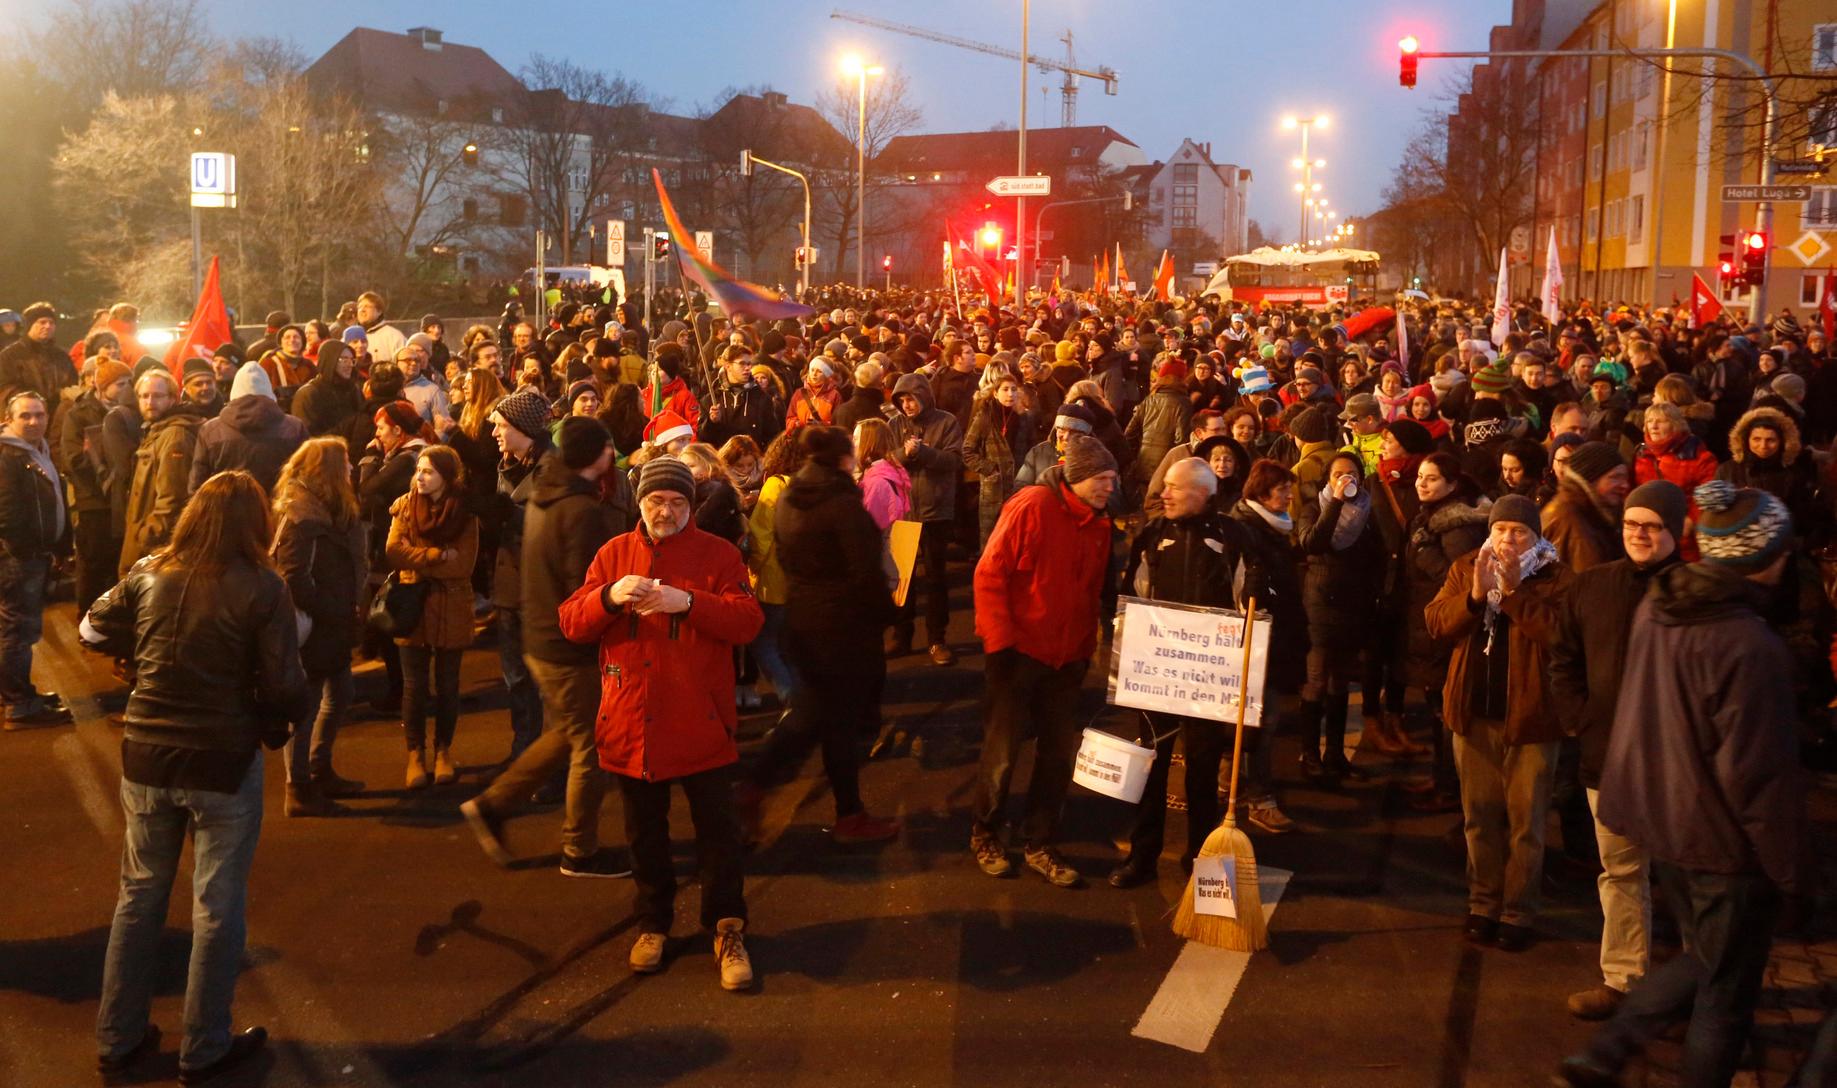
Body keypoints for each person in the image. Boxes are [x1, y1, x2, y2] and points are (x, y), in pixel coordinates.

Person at [1556, 481, 1806, 1088]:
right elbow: (1758, 777)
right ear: (1762, 556)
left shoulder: (1662, 604)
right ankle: (1614, 1049)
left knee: (1704, 958)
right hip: (1722, 840)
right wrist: (1793, 872)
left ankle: (1608, 1049)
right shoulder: (1748, 643)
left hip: (1666, 820)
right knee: (1723, 997)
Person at [86, 471, 306, 1085]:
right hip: (221, 758)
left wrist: (139, 652)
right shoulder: (264, 587)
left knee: (138, 896)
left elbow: (90, 627)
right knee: (216, 905)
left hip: (148, 752)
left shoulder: (152, 571)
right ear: (254, 523)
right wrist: (280, 723)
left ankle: (118, 1035)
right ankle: (204, 1045)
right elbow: (286, 683)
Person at [557, 456, 765, 990]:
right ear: (641, 503)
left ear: (691, 506)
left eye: (677, 502)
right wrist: (608, 596)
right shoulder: (613, 555)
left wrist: (687, 602)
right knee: (644, 836)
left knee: (718, 835)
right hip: (632, 721)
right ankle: (653, 923)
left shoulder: (718, 555)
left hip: (700, 719)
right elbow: (572, 622)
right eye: (656, 501)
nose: (665, 510)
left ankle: (727, 927)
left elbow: (747, 621)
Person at [462, 417, 631, 877]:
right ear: (598, 455)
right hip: (568, 645)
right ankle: (579, 850)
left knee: (564, 734)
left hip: (541, 635)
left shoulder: (545, 493)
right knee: (590, 746)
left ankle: (493, 806)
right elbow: (586, 589)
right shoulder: (579, 510)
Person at [1547, 481, 1686, 1022]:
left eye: (1651, 526)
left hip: (1675, 765)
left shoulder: (1692, 590)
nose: (1640, 534)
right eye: (1632, 524)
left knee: (1682, 880)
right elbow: (1564, 658)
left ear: (1674, 530)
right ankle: (1624, 979)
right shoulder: (1593, 586)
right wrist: (1579, 718)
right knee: (1621, 873)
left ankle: (1690, 986)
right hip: (1607, 757)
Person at [1424, 494, 1574, 952]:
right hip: (1474, 715)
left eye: (1519, 532)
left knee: (1526, 822)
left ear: (1536, 536)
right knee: (1479, 818)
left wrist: (1513, 596)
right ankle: (1482, 903)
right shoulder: (1469, 565)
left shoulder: (1556, 576)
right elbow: (1435, 622)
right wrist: (1474, 596)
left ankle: (1518, 910)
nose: (1508, 540)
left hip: (1532, 720)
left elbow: (1562, 637)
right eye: (1501, 530)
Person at [737, 426, 901, 844]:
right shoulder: (842, 504)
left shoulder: (793, 495)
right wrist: (886, 614)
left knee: (825, 722)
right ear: (845, 459)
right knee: (821, 722)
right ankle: (759, 789)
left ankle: (846, 812)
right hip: (841, 630)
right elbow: (865, 572)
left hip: (804, 619)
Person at [969, 434, 1118, 887]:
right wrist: (1000, 644)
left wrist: (1088, 648)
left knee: (1056, 757)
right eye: (1102, 479)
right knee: (1002, 753)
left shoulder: (1099, 524)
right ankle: (985, 832)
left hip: (1066, 658)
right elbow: (990, 573)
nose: (1109, 488)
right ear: (1076, 477)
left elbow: (1092, 591)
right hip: (1017, 654)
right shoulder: (1031, 505)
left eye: (1112, 480)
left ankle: (1039, 841)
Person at [1110, 458, 1246, 887]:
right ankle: (1142, 856)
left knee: (1202, 773)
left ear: (1202, 494)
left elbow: (1250, 604)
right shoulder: (1152, 535)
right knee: (1151, 765)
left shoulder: (1232, 537)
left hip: (1208, 676)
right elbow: (1135, 594)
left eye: (1173, 488)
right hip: (1160, 672)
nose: (1163, 494)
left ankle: (1201, 860)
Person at [270, 438, 369, 815]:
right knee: (306, 706)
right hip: (315, 626)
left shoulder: (327, 508)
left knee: (340, 692)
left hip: (332, 622)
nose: (351, 468)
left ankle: (318, 766)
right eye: (345, 463)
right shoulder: (302, 516)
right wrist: (331, 610)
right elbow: (294, 577)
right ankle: (298, 789)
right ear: (326, 470)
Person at [384, 445, 479, 789]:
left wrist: (420, 560)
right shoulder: (405, 506)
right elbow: (394, 551)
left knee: (448, 684)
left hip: (452, 604)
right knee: (414, 685)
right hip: (414, 605)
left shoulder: (465, 512)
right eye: (418, 470)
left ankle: (443, 752)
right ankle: (415, 755)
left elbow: (463, 564)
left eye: (428, 471)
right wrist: (436, 555)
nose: (419, 477)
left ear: (446, 476)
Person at [1295, 451, 1385, 783]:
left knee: (1341, 680)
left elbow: (1378, 556)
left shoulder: (1367, 511)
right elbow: (1313, 543)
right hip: (1319, 604)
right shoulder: (1313, 507)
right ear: (1328, 479)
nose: (1345, 480)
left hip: (1354, 605)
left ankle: (1335, 754)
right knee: (1316, 678)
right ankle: (1309, 754)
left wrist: (1374, 595)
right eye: (1338, 474)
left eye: (1351, 474)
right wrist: (1334, 502)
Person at [1226, 460, 1304, 834]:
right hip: (1255, 643)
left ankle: (1234, 781)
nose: (1290, 496)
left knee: (1259, 719)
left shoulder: (1274, 527)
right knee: (1261, 720)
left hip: (1277, 636)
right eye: (1282, 490)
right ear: (1260, 493)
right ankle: (1260, 798)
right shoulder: (1245, 530)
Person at [487, 388, 554, 761]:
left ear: (520, 427)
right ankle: (524, 752)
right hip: (510, 588)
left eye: (500, 425)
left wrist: (504, 515)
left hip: (539, 592)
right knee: (517, 680)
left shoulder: (551, 470)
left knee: (541, 682)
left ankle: (543, 761)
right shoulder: (510, 465)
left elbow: (550, 529)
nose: (495, 432)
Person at [0, 393, 72, 729]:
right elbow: (7, 513)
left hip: (30, 554)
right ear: (9, 418)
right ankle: (19, 706)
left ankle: (16, 692)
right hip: (20, 557)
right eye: (25, 416)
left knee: (15, 627)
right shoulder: (8, 455)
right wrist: (25, 549)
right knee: (19, 629)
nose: (34, 421)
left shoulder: (35, 450)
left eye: (39, 414)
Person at [886, 372, 964, 665]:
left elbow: (955, 460)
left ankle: (936, 640)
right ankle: (901, 636)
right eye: (902, 399)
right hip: (903, 512)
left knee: (936, 579)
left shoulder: (946, 422)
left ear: (924, 396)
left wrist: (926, 453)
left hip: (935, 512)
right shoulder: (894, 425)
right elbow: (885, 460)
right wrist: (904, 454)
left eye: (911, 398)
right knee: (902, 580)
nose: (907, 404)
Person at [63, 359, 132, 615]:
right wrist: (104, 466)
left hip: (121, 502)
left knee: (117, 563)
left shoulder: (129, 412)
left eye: (129, 383)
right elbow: (72, 458)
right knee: (93, 564)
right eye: (120, 384)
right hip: (94, 502)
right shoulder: (78, 414)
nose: (126, 389)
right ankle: (88, 619)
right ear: (102, 386)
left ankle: (112, 621)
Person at [120, 371, 204, 575]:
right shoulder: (156, 431)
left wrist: (145, 535)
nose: (150, 402)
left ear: (173, 398)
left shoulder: (175, 435)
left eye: (158, 396)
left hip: (156, 549)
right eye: (144, 396)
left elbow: (173, 497)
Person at [189, 362, 308, 498]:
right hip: (278, 513)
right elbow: (306, 478)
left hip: (227, 512)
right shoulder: (294, 427)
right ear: (269, 390)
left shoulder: (210, 431)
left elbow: (197, 486)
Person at [961, 370, 1034, 546]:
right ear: (995, 393)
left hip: (1018, 486)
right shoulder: (985, 417)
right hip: (993, 487)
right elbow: (967, 451)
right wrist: (989, 469)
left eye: (1014, 389)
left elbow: (1031, 449)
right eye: (1005, 389)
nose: (1010, 394)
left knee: (1015, 537)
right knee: (991, 539)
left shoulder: (1023, 418)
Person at [1540, 441, 1628, 574]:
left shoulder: (1591, 512)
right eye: (1615, 477)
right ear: (1591, 478)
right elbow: (1592, 581)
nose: (1624, 485)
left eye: (1625, 478)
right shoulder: (1572, 519)